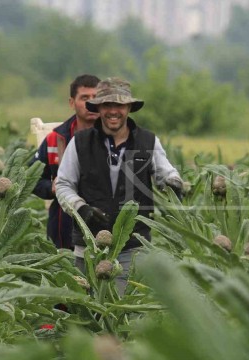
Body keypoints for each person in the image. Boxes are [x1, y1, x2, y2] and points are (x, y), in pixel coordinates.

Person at [55, 77, 183, 294]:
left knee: (122, 313)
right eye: (107, 105)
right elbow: (64, 184)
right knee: (86, 312)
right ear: (99, 108)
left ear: (129, 107)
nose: (113, 111)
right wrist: (80, 208)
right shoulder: (80, 142)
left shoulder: (148, 141)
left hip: (132, 248)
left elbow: (167, 175)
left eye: (119, 105)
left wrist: (174, 185)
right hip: (88, 248)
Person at [31, 74, 101, 250]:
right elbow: (32, 178)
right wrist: (51, 187)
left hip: (105, 226)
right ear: (72, 103)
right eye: (85, 98)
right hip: (64, 229)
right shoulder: (56, 139)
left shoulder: (119, 138)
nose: (91, 103)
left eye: (96, 98)